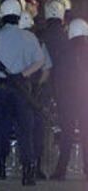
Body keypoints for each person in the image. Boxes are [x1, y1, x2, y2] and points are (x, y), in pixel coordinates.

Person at [0, 0, 45, 186]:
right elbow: (39, 61)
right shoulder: (29, 37)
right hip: (22, 91)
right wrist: (23, 75)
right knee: (25, 131)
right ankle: (28, 172)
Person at [51, 18, 88, 180]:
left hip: (68, 98)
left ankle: (61, 170)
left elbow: (57, 77)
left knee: (66, 135)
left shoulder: (64, 51)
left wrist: (57, 98)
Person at [19, 10, 52, 180]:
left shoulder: (12, 40)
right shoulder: (38, 42)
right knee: (36, 130)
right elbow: (46, 68)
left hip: (18, 90)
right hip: (33, 92)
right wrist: (39, 89)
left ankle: (1, 167)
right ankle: (34, 166)